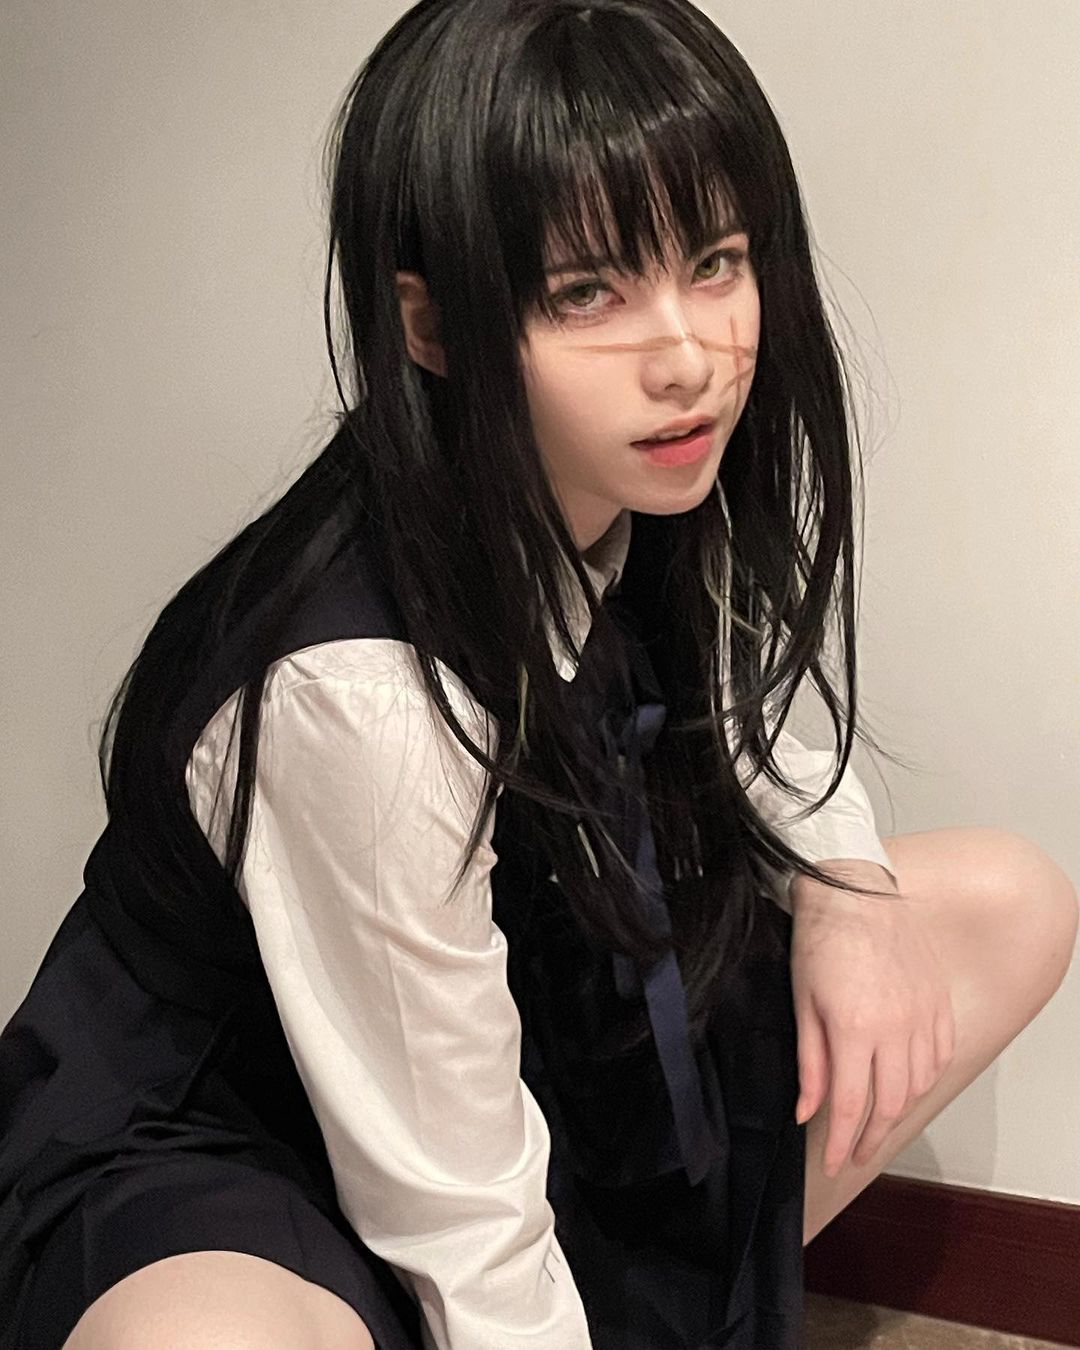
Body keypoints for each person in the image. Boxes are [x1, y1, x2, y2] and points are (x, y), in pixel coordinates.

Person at [5, 1, 1078, 1347]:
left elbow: (745, 737)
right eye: (587, 292)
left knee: (1001, 904)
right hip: (247, 1132)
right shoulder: (361, 690)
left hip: (520, 1024)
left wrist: (847, 896)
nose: (687, 357)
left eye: (716, 260)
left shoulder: (641, 473)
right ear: (433, 325)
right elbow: (452, 1198)